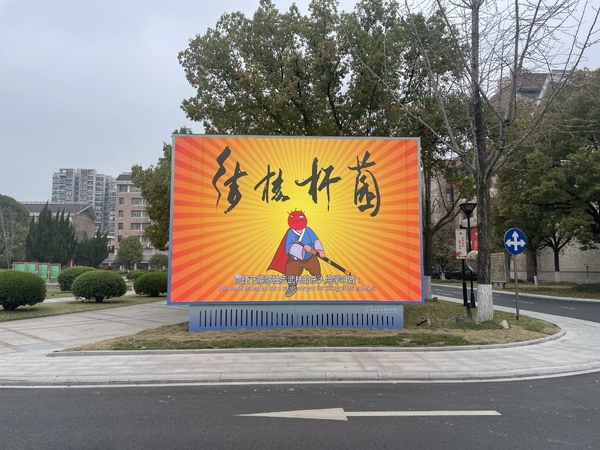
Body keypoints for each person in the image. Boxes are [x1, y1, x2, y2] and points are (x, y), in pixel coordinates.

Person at [268, 210, 324, 297]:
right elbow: (289, 247)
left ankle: (317, 275)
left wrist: (319, 250)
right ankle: (292, 286)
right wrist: (302, 249)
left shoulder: (308, 230)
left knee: (315, 268)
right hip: (294, 259)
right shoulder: (290, 232)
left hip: (309, 257)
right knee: (291, 273)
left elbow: (315, 240)